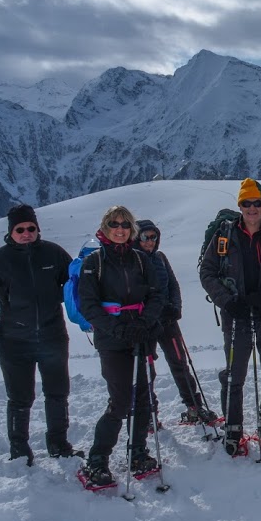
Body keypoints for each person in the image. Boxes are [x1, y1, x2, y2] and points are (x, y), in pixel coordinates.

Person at [200, 178, 261, 456]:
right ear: (240, 205)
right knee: (235, 372)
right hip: (237, 313)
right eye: (246, 203)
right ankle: (233, 426)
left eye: (257, 202)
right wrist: (228, 301)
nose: (252, 208)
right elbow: (207, 272)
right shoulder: (224, 236)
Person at [0, 204, 76, 465]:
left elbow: (76, 286)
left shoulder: (54, 254)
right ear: (11, 231)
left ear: (37, 228)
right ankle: (19, 450)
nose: (26, 233)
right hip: (15, 341)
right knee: (20, 397)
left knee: (57, 392)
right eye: (20, 229)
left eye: (31, 228)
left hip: (53, 336)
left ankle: (58, 444)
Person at [75, 206, 166, 488]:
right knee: (121, 401)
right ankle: (97, 459)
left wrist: (145, 322)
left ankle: (138, 451)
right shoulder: (94, 262)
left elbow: (157, 293)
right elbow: (88, 305)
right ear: (105, 227)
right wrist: (117, 328)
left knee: (143, 396)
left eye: (125, 224)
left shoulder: (140, 259)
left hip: (139, 335)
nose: (120, 228)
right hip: (113, 340)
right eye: (114, 224)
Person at [134, 219, 217, 425]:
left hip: (167, 320)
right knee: (146, 370)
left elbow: (172, 285)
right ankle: (147, 413)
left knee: (179, 363)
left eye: (153, 237)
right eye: (145, 236)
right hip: (144, 324)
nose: (150, 241)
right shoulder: (131, 260)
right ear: (136, 237)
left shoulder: (160, 258)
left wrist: (175, 308)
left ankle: (194, 406)